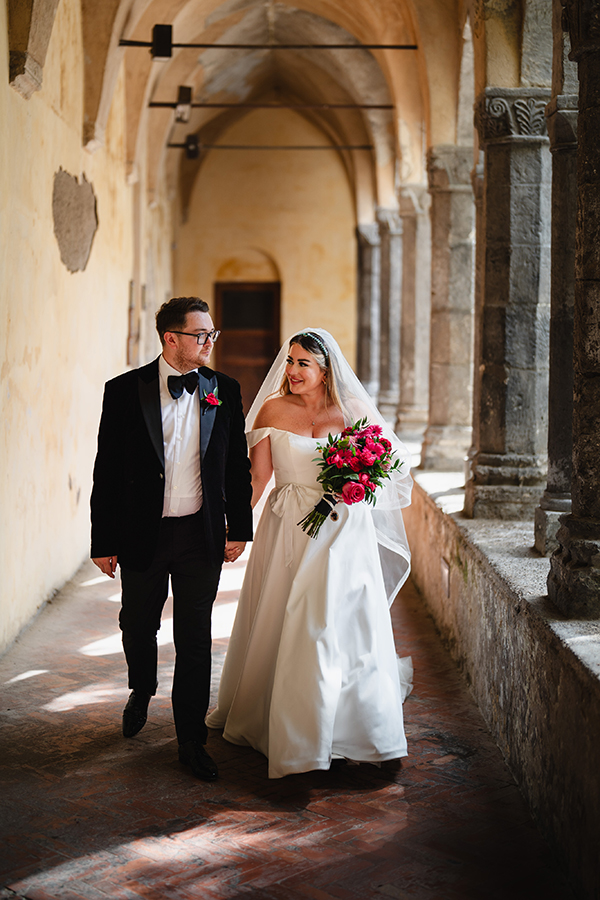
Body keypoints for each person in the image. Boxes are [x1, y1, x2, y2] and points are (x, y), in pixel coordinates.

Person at [206, 329, 413, 778]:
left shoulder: (353, 411)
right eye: (290, 362)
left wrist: (357, 485)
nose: (293, 371)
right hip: (290, 532)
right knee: (296, 618)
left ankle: (358, 731)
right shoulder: (272, 410)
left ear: (325, 370)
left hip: (344, 533)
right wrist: (234, 528)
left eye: (304, 364)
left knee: (342, 624)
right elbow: (257, 481)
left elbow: (388, 470)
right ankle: (296, 733)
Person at [90, 296, 252, 781]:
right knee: (138, 625)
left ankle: (190, 740)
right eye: (201, 335)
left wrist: (239, 528)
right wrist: (103, 539)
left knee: (196, 639)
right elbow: (106, 471)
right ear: (171, 339)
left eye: (211, 335)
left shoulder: (224, 389)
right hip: (143, 534)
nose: (209, 343)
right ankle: (142, 688)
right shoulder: (123, 391)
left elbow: (235, 466)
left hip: (199, 533)